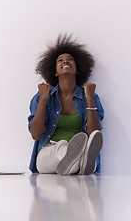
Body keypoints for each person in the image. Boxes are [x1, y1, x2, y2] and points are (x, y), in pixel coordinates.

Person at [28, 34, 104, 175]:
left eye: (70, 60)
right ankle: (82, 162)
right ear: (55, 72)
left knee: (71, 163)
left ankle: (76, 163)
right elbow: (36, 135)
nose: (65, 62)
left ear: (77, 69)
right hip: (48, 155)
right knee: (62, 147)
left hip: (69, 161)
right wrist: (44, 99)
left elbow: (94, 134)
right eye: (60, 60)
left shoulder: (90, 96)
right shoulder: (42, 96)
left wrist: (90, 99)